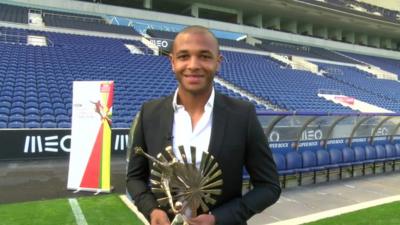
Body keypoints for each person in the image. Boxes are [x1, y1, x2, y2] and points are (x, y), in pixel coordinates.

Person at [126, 25, 281, 225]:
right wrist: (152, 210)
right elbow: (134, 178)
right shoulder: (150, 113)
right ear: (172, 62)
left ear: (218, 62)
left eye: (205, 56)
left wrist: (220, 218)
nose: (193, 65)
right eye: (183, 56)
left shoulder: (243, 115)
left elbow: (269, 186)